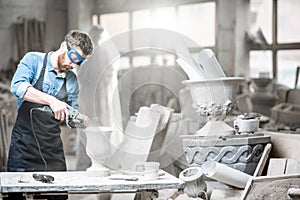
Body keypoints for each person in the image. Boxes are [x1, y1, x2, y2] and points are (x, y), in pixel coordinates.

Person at [6, 30, 94, 200]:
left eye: (80, 62)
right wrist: (52, 101)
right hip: (23, 148)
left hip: (52, 151)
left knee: (58, 196)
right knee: (16, 195)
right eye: (74, 58)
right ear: (64, 46)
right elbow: (18, 87)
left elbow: (70, 116)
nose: (74, 65)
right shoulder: (33, 60)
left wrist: (78, 119)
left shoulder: (72, 81)